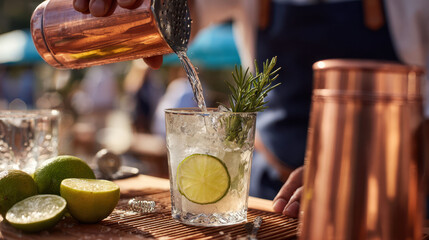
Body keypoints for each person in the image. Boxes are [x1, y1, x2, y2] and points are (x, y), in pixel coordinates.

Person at [73, 0, 429, 218]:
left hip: (388, 192)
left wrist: (375, 173)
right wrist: (137, 10)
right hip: (264, 193)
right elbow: (181, 10)